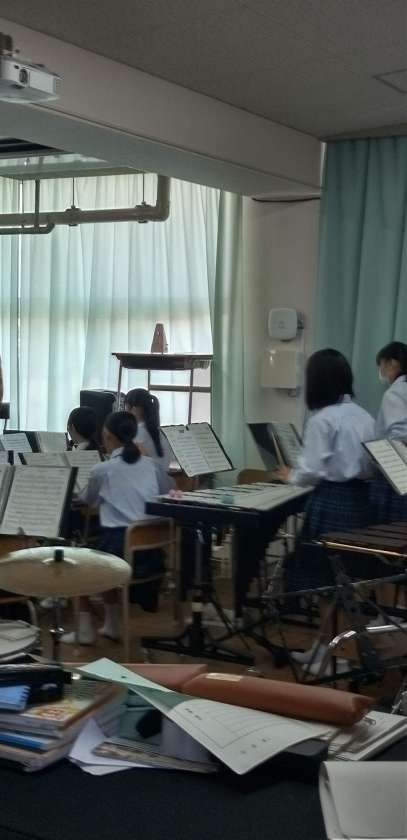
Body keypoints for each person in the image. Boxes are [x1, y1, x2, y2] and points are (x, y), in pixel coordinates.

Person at [275, 348, 384, 673]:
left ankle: (336, 658)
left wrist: (289, 475)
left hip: (333, 500)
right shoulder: (364, 416)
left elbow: (310, 471)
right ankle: (324, 649)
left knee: (325, 583)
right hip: (362, 502)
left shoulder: (322, 420)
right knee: (344, 584)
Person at [62, 411, 170, 645]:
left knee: (77, 561)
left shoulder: (103, 470)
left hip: (121, 551)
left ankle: (84, 630)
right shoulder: (153, 466)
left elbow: (87, 500)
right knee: (100, 552)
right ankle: (111, 625)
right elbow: (165, 496)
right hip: (152, 553)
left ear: (108, 436)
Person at [371, 342, 407, 524]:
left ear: (393, 363)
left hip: (397, 477)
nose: (382, 372)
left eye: (382, 365)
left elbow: (399, 436)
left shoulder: (395, 393)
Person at [125, 388, 173, 471]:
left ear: (134, 409)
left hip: (144, 477)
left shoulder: (137, 433)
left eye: (125, 406)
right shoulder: (160, 432)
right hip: (161, 476)